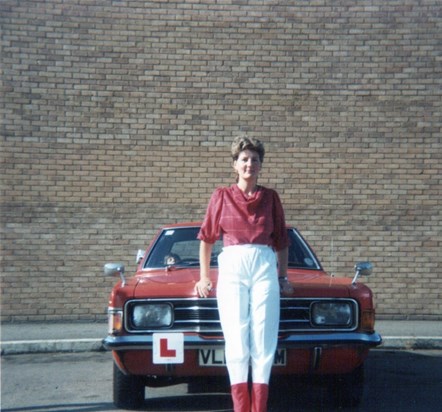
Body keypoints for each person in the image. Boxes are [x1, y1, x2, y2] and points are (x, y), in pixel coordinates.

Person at [195, 134, 293, 412]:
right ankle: (241, 408)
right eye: (244, 159)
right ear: (235, 164)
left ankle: (259, 408)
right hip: (233, 266)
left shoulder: (270, 198)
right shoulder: (221, 196)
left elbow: (281, 242)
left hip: (264, 264)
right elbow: (206, 239)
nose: (250, 164)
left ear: (261, 165)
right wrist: (204, 277)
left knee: (263, 335)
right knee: (236, 338)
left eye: (255, 160)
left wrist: (283, 277)